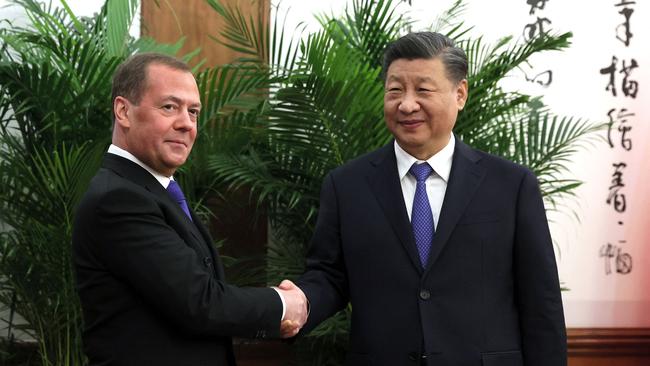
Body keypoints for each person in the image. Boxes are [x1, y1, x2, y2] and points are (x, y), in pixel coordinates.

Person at [290, 32, 567, 365]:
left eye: (423, 89)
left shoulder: (511, 186)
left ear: (460, 93)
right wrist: (299, 303)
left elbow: (541, 302)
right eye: (395, 90)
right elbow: (329, 277)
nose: (407, 104)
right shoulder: (347, 185)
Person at [72, 53, 307, 366]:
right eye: (169, 107)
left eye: (193, 111)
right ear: (123, 111)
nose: (186, 123)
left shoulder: (154, 190)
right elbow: (200, 302)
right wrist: (282, 304)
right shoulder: (117, 199)